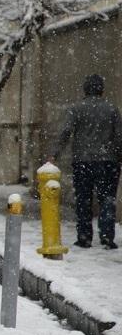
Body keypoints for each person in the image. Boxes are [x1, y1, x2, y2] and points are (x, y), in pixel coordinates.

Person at [51, 74, 122, 250]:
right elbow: (119, 136)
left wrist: (54, 154)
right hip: (108, 162)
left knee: (83, 199)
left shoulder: (76, 109)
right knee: (107, 199)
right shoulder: (112, 109)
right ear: (101, 89)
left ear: (85, 89)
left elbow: (65, 132)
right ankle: (107, 237)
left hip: (82, 161)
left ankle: (84, 237)